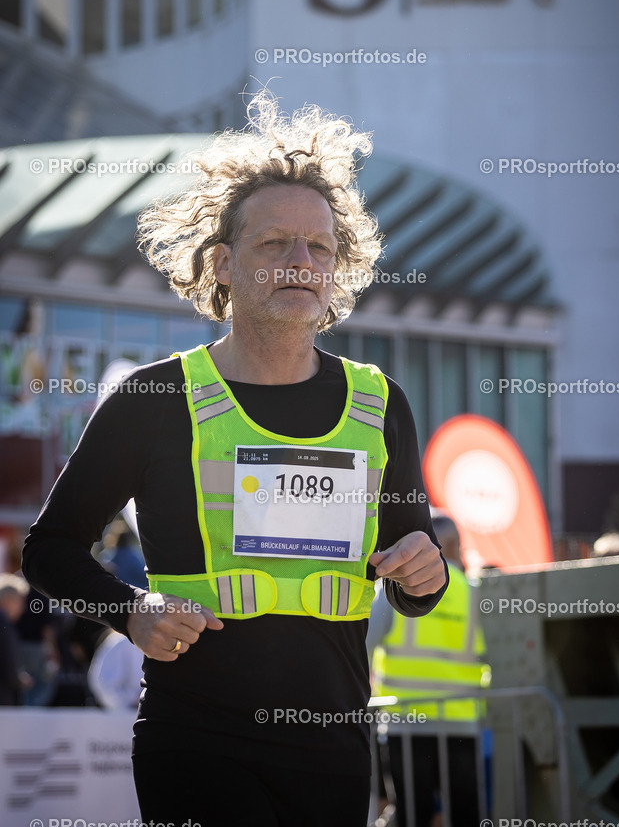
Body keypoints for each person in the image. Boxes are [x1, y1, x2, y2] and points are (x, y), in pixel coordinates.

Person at [23, 91, 448, 827]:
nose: (300, 262)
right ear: (223, 263)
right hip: (196, 742)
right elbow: (49, 549)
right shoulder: (154, 399)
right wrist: (131, 611)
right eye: (274, 244)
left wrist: (425, 571)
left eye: (319, 247)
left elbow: (411, 575)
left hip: (334, 749)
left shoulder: (382, 404)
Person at [369, 515, 490, 827]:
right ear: (455, 545)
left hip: (406, 724)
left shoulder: (393, 588)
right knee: (467, 815)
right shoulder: (475, 593)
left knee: (413, 814)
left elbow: (363, 647)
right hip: (461, 724)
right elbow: (494, 658)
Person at [0, 573, 30, 705]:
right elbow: (8, 661)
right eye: (20, 601)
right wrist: (19, 680)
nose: (23, 608)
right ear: (8, 600)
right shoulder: (3, 623)